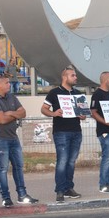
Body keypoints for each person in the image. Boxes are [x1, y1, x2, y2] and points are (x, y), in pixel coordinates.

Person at [41, 66, 86, 202]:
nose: (75, 77)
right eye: (73, 75)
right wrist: (54, 113)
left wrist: (83, 115)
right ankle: (60, 190)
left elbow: (83, 113)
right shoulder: (54, 93)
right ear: (64, 77)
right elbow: (44, 109)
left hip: (76, 131)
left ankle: (68, 188)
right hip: (61, 132)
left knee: (71, 162)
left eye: (75, 75)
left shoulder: (78, 94)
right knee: (62, 161)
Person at [0, 74, 37, 207]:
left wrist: (10, 113)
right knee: (3, 169)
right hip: (1, 139)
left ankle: (22, 194)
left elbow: (23, 112)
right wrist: (14, 114)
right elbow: (1, 119)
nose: (9, 85)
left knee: (18, 166)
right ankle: (6, 197)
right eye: (6, 83)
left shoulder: (12, 97)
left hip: (13, 137)